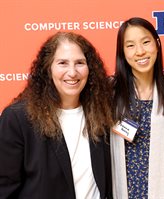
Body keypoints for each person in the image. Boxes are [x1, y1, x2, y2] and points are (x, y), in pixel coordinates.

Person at [0, 32, 114, 198]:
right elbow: (4, 188)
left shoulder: (102, 112)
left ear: (90, 69)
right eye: (62, 63)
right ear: (48, 68)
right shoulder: (17, 118)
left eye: (80, 63)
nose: (72, 72)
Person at [110, 17, 164, 199]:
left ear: (157, 44)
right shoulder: (110, 91)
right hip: (124, 188)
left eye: (146, 42)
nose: (140, 51)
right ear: (123, 52)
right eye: (130, 45)